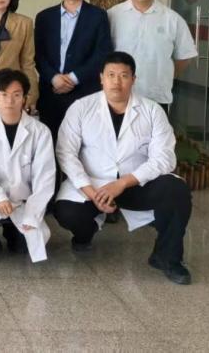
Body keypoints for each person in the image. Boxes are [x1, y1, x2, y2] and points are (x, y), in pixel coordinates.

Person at [53, 51, 193, 285]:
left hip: (135, 183)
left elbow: (164, 158)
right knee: (67, 211)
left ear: (133, 79)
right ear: (101, 78)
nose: (116, 82)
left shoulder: (152, 110)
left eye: (124, 76)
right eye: (111, 75)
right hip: (93, 183)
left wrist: (123, 182)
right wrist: (91, 193)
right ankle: (84, 234)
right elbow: (65, 153)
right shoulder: (81, 107)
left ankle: (167, 257)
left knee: (176, 190)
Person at [0, 69, 56, 265]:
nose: (9, 101)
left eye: (16, 95)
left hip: (24, 200)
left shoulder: (40, 132)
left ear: (24, 98)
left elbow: (45, 178)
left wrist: (33, 215)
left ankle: (12, 230)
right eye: (4, 94)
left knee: (22, 248)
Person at [34, 0, 112, 138]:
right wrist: (54, 78)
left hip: (84, 92)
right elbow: (38, 54)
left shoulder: (98, 16)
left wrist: (73, 78)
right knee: (50, 142)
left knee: (84, 143)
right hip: (51, 93)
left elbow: (102, 53)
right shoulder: (44, 17)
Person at [107, 0, 197, 110]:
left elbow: (185, 56)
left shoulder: (172, 19)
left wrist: (167, 76)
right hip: (118, 96)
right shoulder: (113, 15)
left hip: (156, 97)